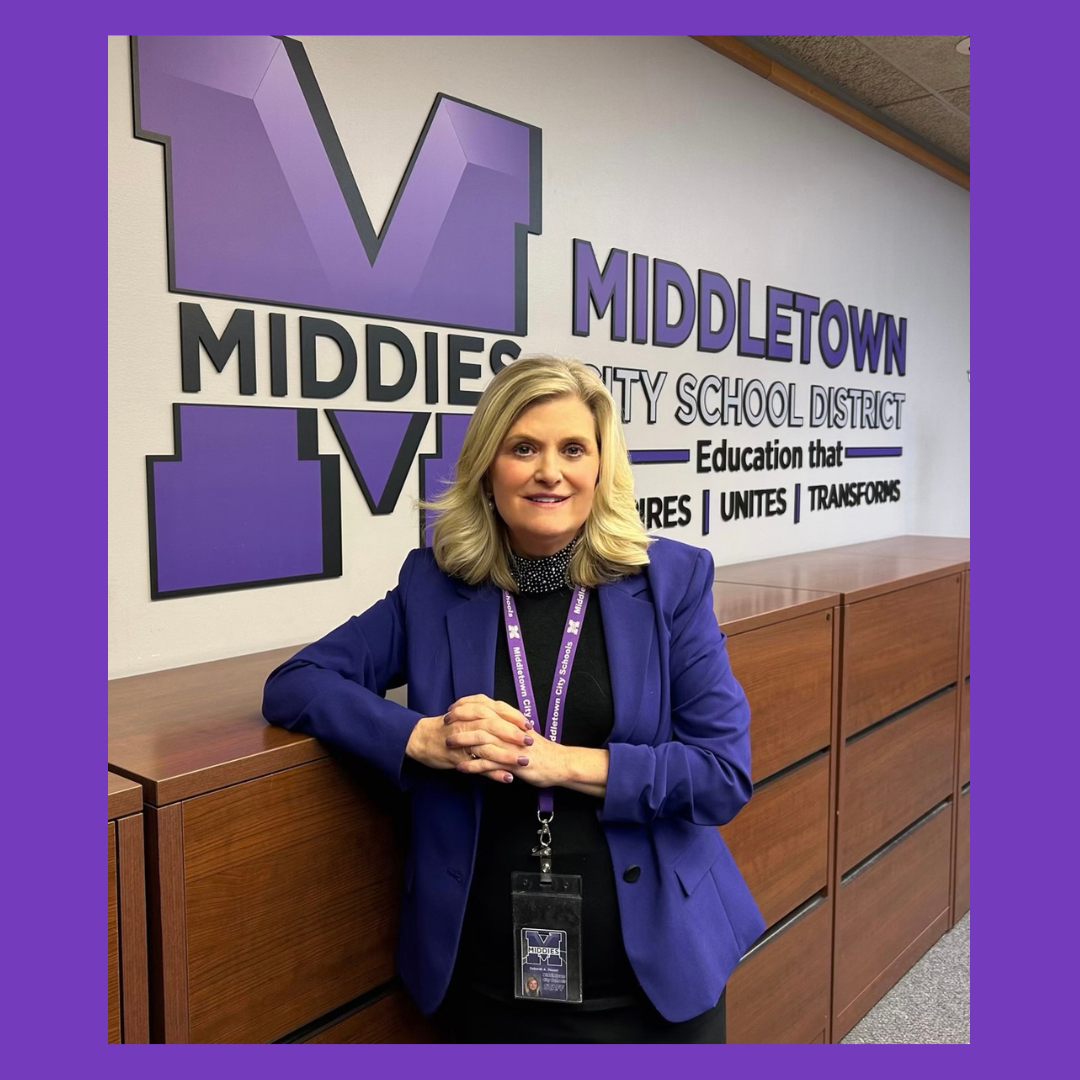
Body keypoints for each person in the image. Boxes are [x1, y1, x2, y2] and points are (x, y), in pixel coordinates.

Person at [263, 356, 764, 1043]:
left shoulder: (670, 581)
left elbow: (722, 774)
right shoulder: (435, 586)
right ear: (488, 466)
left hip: (651, 980)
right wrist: (420, 738)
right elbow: (297, 682)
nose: (549, 471)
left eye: (573, 449)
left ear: (600, 467)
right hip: (484, 979)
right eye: (523, 447)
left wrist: (566, 765)